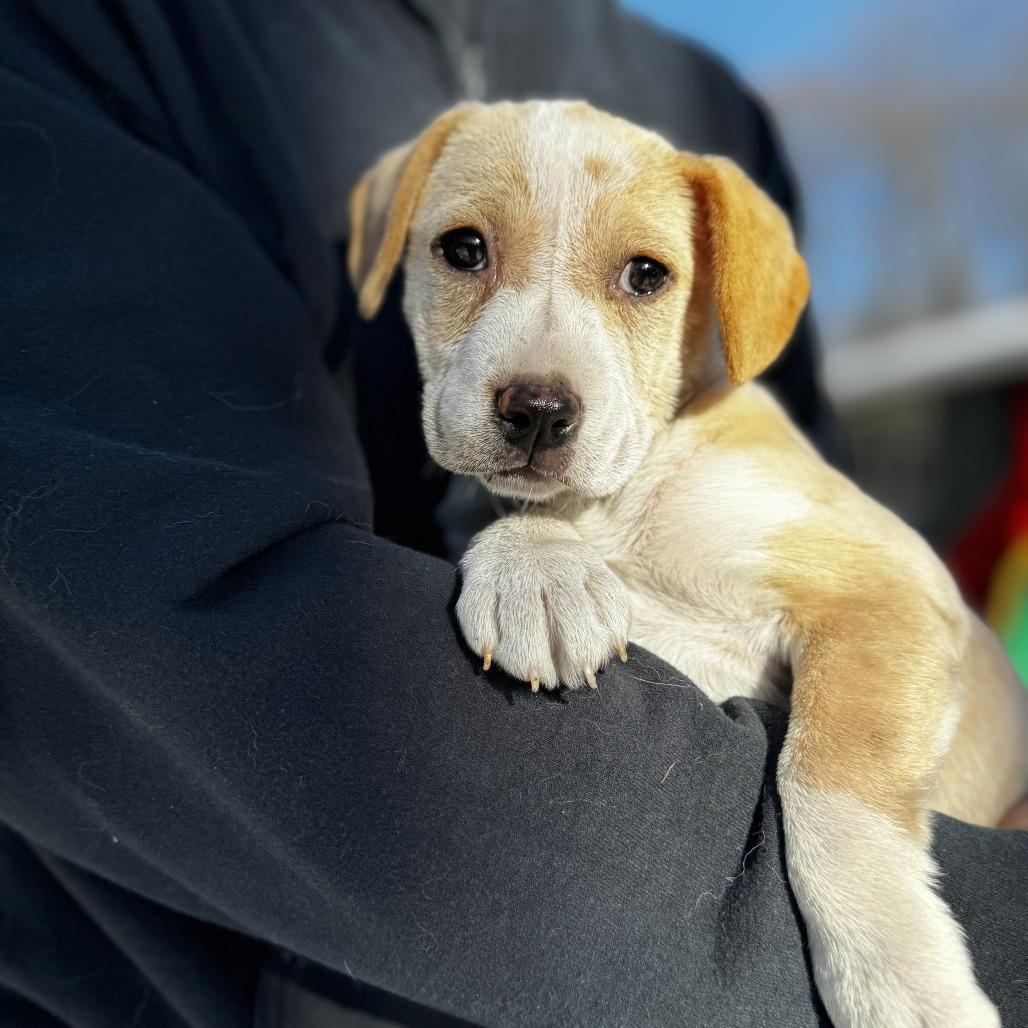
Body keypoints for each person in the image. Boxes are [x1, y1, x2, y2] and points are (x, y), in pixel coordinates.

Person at [0, 3, 1023, 1026]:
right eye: (465, 253)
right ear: (387, 249)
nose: (538, 375)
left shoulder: (726, 449)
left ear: (721, 297)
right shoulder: (94, 44)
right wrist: (525, 539)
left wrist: (877, 898)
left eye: (639, 276)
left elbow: (884, 618)